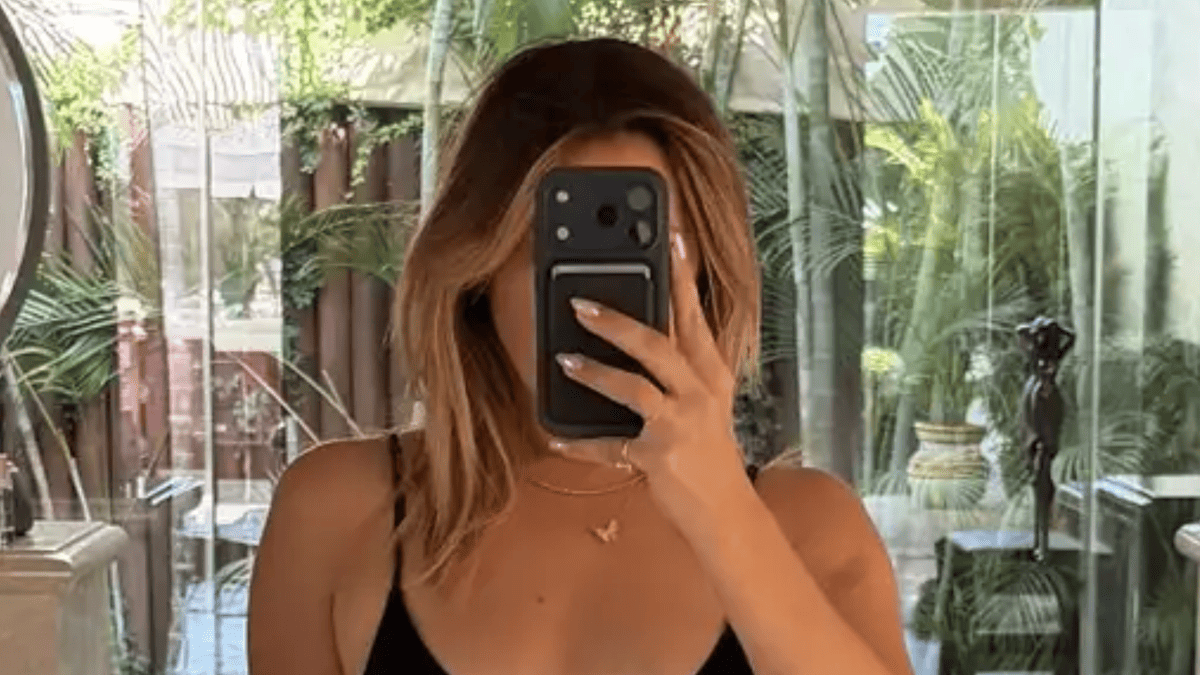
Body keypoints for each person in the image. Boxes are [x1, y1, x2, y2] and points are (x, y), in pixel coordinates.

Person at [248, 37, 913, 675]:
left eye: (641, 252)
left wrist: (721, 509)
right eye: (552, 249)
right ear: (478, 270)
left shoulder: (809, 528)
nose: (592, 297)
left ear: (704, 272)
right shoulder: (336, 511)